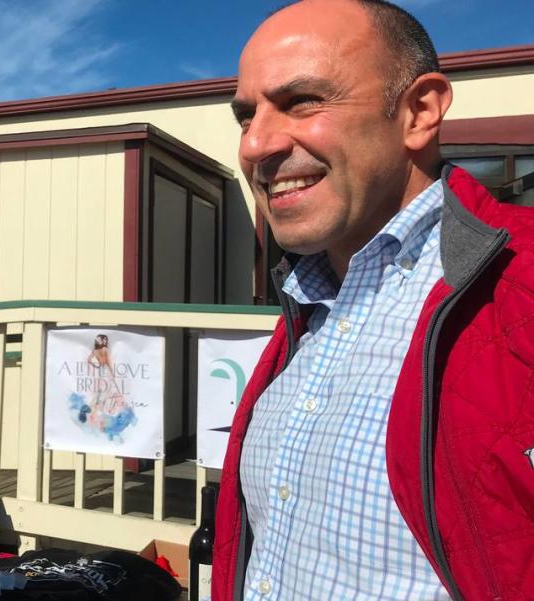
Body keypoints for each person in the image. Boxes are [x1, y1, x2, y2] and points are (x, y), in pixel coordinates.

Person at [213, 1, 534, 600]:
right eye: (245, 116)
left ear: (419, 112)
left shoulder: (519, 285)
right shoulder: (305, 307)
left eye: (302, 101)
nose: (255, 144)